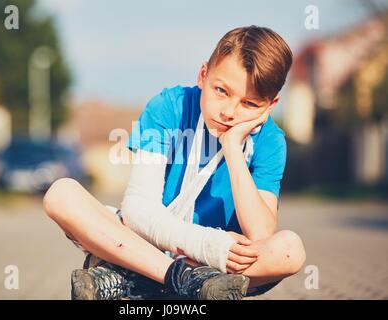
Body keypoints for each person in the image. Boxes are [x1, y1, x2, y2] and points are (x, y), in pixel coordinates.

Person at [43, 25, 306, 300]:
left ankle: (132, 279)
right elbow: (137, 210)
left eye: (249, 104)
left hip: (212, 263)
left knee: (290, 249)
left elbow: (261, 233)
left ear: (270, 105)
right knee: (61, 195)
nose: (229, 112)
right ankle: (184, 282)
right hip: (149, 245)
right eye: (221, 90)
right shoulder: (170, 106)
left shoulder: (270, 140)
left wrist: (232, 148)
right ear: (203, 75)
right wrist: (208, 244)